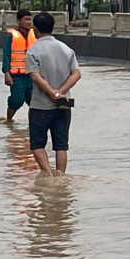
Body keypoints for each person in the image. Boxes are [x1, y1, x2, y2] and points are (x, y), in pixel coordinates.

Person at [26, 12, 82, 176]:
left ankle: (49, 175)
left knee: (37, 145)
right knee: (61, 145)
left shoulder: (33, 51)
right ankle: (60, 176)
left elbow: (35, 77)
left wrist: (52, 93)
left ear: (34, 29)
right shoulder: (66, 49)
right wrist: (61, 93)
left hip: (40, 106)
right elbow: (76, 74)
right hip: (64, 105)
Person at [0, 9, 37, 125]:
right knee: (17, 99)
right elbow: (6, 55)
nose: (29, 22)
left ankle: (34, 123)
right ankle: (9, 120)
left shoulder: (35, 34)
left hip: (32, 74)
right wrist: (6, 73)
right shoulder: (10, 35)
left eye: (30, 19)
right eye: (26, 19)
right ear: (19, 21)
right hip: (16, 76)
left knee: (34, 100)